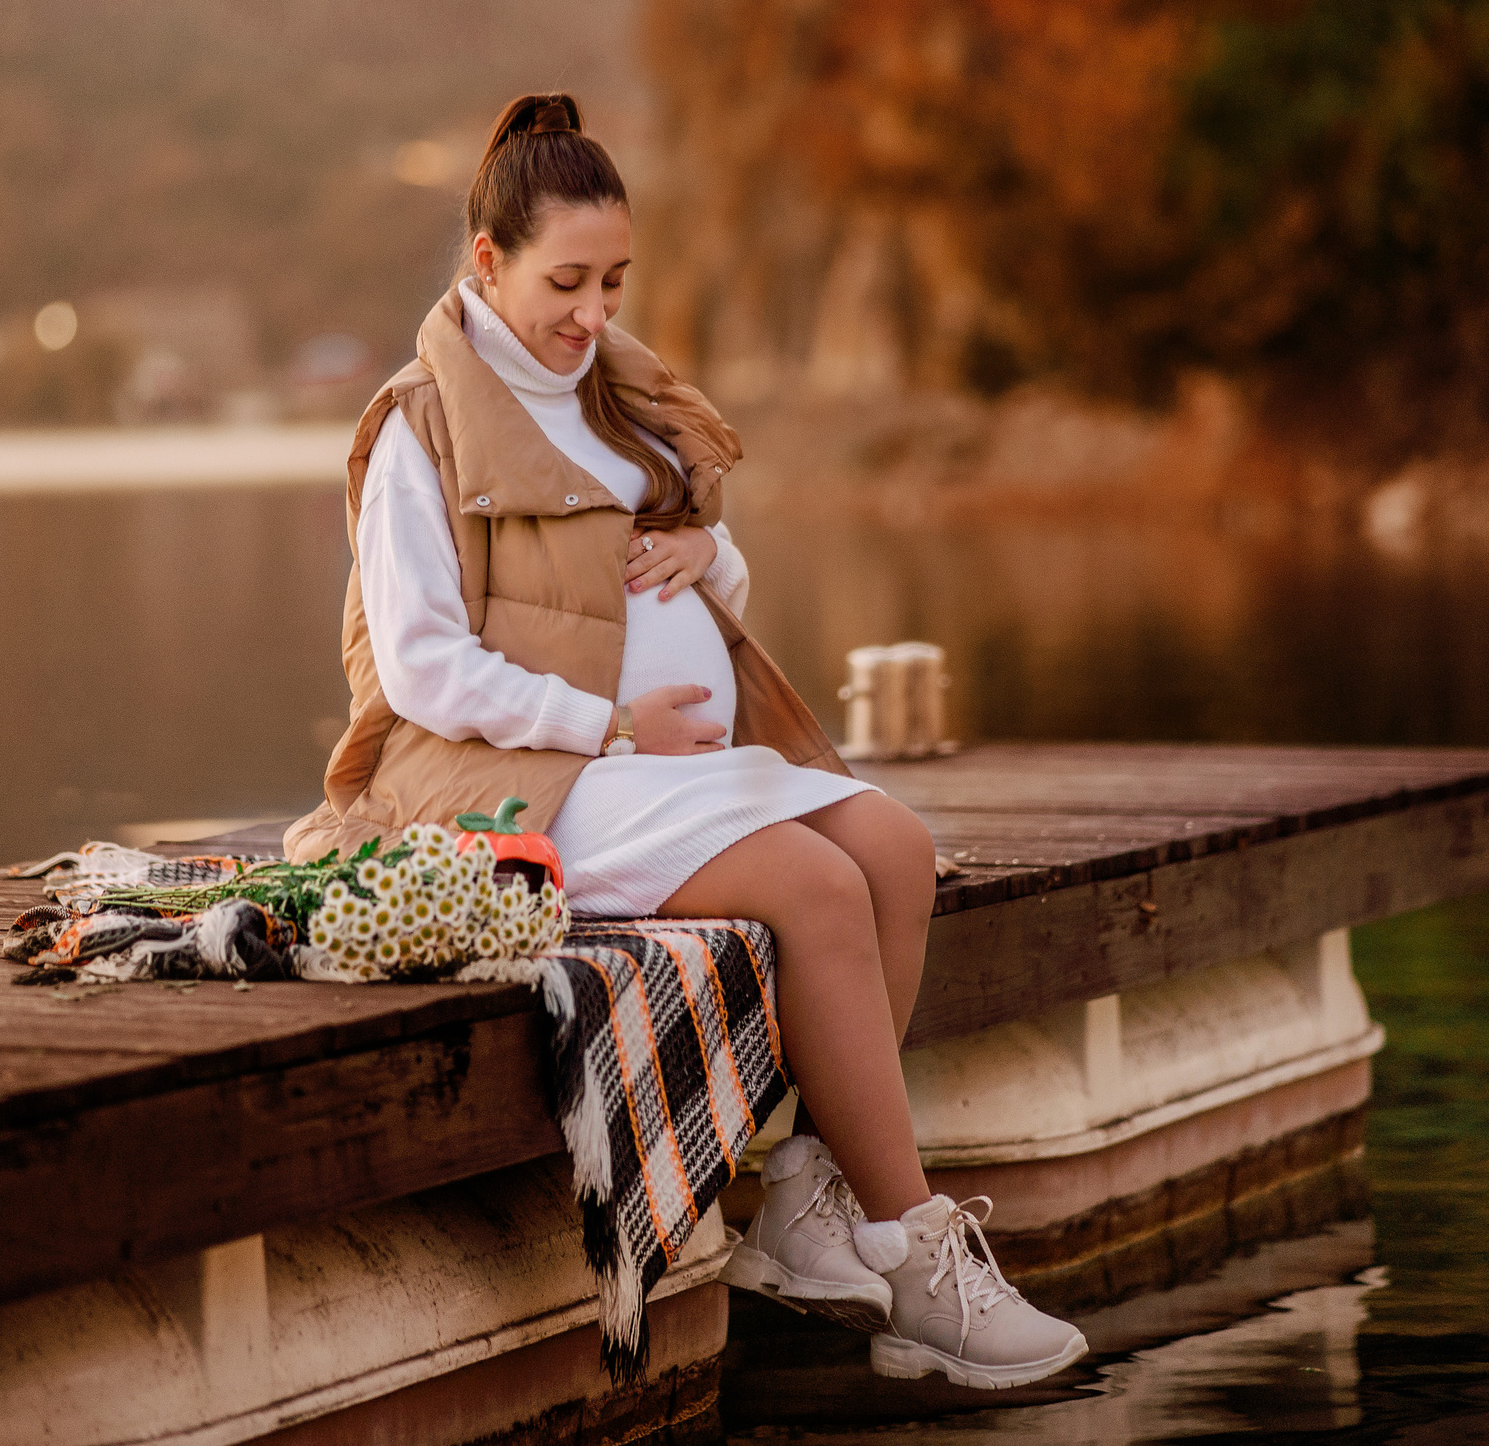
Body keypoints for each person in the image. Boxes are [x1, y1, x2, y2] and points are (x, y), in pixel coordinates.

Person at [286, 91, 1087, 1389]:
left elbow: (719, 581)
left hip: (662, 770)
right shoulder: (415, 427)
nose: (594, 313)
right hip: (527, 785)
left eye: (615, 280)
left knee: (893, 842)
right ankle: (919, 1256)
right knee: (817, 885)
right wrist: (604, 725)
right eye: (566, 281)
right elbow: (423, 666)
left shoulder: (616, 400)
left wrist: (711, 551)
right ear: (484, 262)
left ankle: (813, 1203)